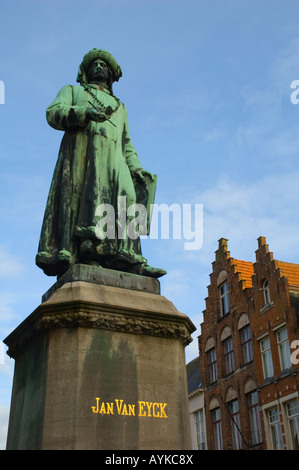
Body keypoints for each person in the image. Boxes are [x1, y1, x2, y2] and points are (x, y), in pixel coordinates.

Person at [36, 49, 166, 278]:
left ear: (111, 74)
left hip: (115, 160)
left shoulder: (120, 107)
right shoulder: (73, 91)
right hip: (83, 155)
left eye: (103, 64)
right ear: (86, 72)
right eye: (94, 64)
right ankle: (90, 251)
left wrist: (136, 168)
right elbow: (53, 113)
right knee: (92, 199)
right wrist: (84, 112)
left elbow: (126, 142)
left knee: (130, 199)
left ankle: (130, 258)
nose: (98, 66)